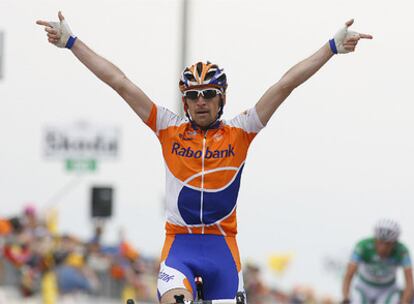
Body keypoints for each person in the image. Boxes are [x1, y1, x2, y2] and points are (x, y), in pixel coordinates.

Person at [36, 12, 372, 303]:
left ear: (221, 98)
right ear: (185, 101)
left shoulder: (242, 130)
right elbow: (120, 83)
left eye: (209, 94)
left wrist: (330, 48)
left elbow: (284, 85)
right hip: (179, 247)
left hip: (222, 249)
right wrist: (71, 42)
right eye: (193, 95)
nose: (201, 101)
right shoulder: (168, 127)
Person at [342, 219, 413, 304]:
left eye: (388, 244)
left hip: (387, 289)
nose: (383, 248)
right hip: (364, 287)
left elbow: (409, 280)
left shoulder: (402, 251)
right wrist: (345, 297)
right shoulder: (362, 246)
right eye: (380, 242)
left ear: (394, 243)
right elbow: (349, 274)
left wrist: (405, 301)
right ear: (375, 239)